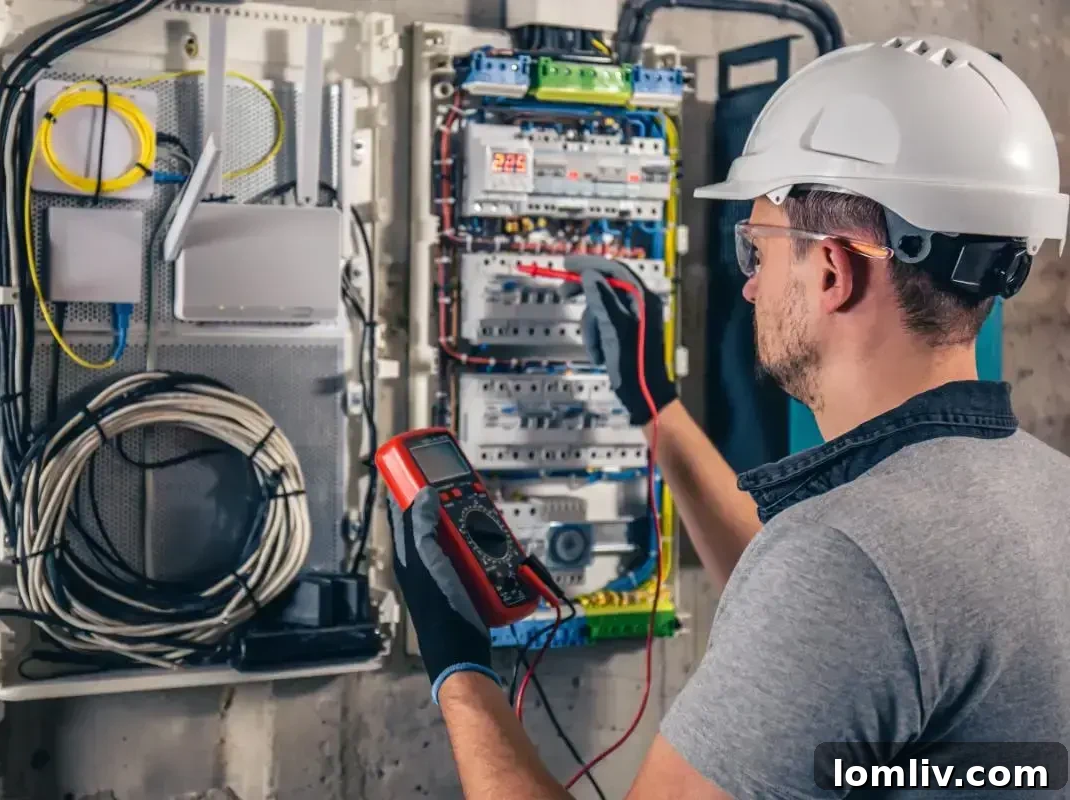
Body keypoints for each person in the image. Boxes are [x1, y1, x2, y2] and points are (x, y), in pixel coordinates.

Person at [390, 34, 1070, 798]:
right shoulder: (1044, 495)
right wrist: (656, 410)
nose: (748, 287)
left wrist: (459, 667)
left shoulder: (847, 566)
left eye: (758, 250)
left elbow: (843, 595)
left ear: (832, 270)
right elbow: (855, 631)